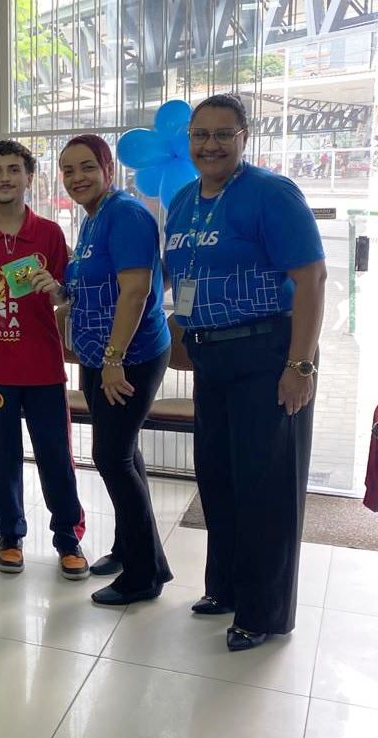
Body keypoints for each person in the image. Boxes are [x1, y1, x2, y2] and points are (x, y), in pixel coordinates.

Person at [164, 93, 326, 651]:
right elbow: (181, 277)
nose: (209, 145)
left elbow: (312, 279)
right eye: (199, 134)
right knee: (219, 478)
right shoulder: (185, 200)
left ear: (244, 137)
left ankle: (264, 611)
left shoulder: (270, 194)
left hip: (269, 354)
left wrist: (300, 365)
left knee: (265, 487)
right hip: (213, 358)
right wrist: (182, 336)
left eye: (222, 134)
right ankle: (227, 588)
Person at [0, 140, 88, 580]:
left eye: (14, 169)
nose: (6, 178)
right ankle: (10, 536)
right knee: (4, 458)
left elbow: (70, 291)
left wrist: (58, 288)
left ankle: (68, 539)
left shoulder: (49, 233)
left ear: (30, 177)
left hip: (42, 368)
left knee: (55, 455)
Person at [58, 134, 173, 604]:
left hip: (129, 357)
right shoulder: (93, 219)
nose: (77, 177)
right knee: (125, 454)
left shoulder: (125, 214)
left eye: (87, 167)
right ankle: (129, 549)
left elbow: (135, 292)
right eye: (68, 171)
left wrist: (113, 360)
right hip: (98, 354)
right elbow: (90, 283)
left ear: (108, 168)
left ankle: (145, 575)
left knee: (111, 457)